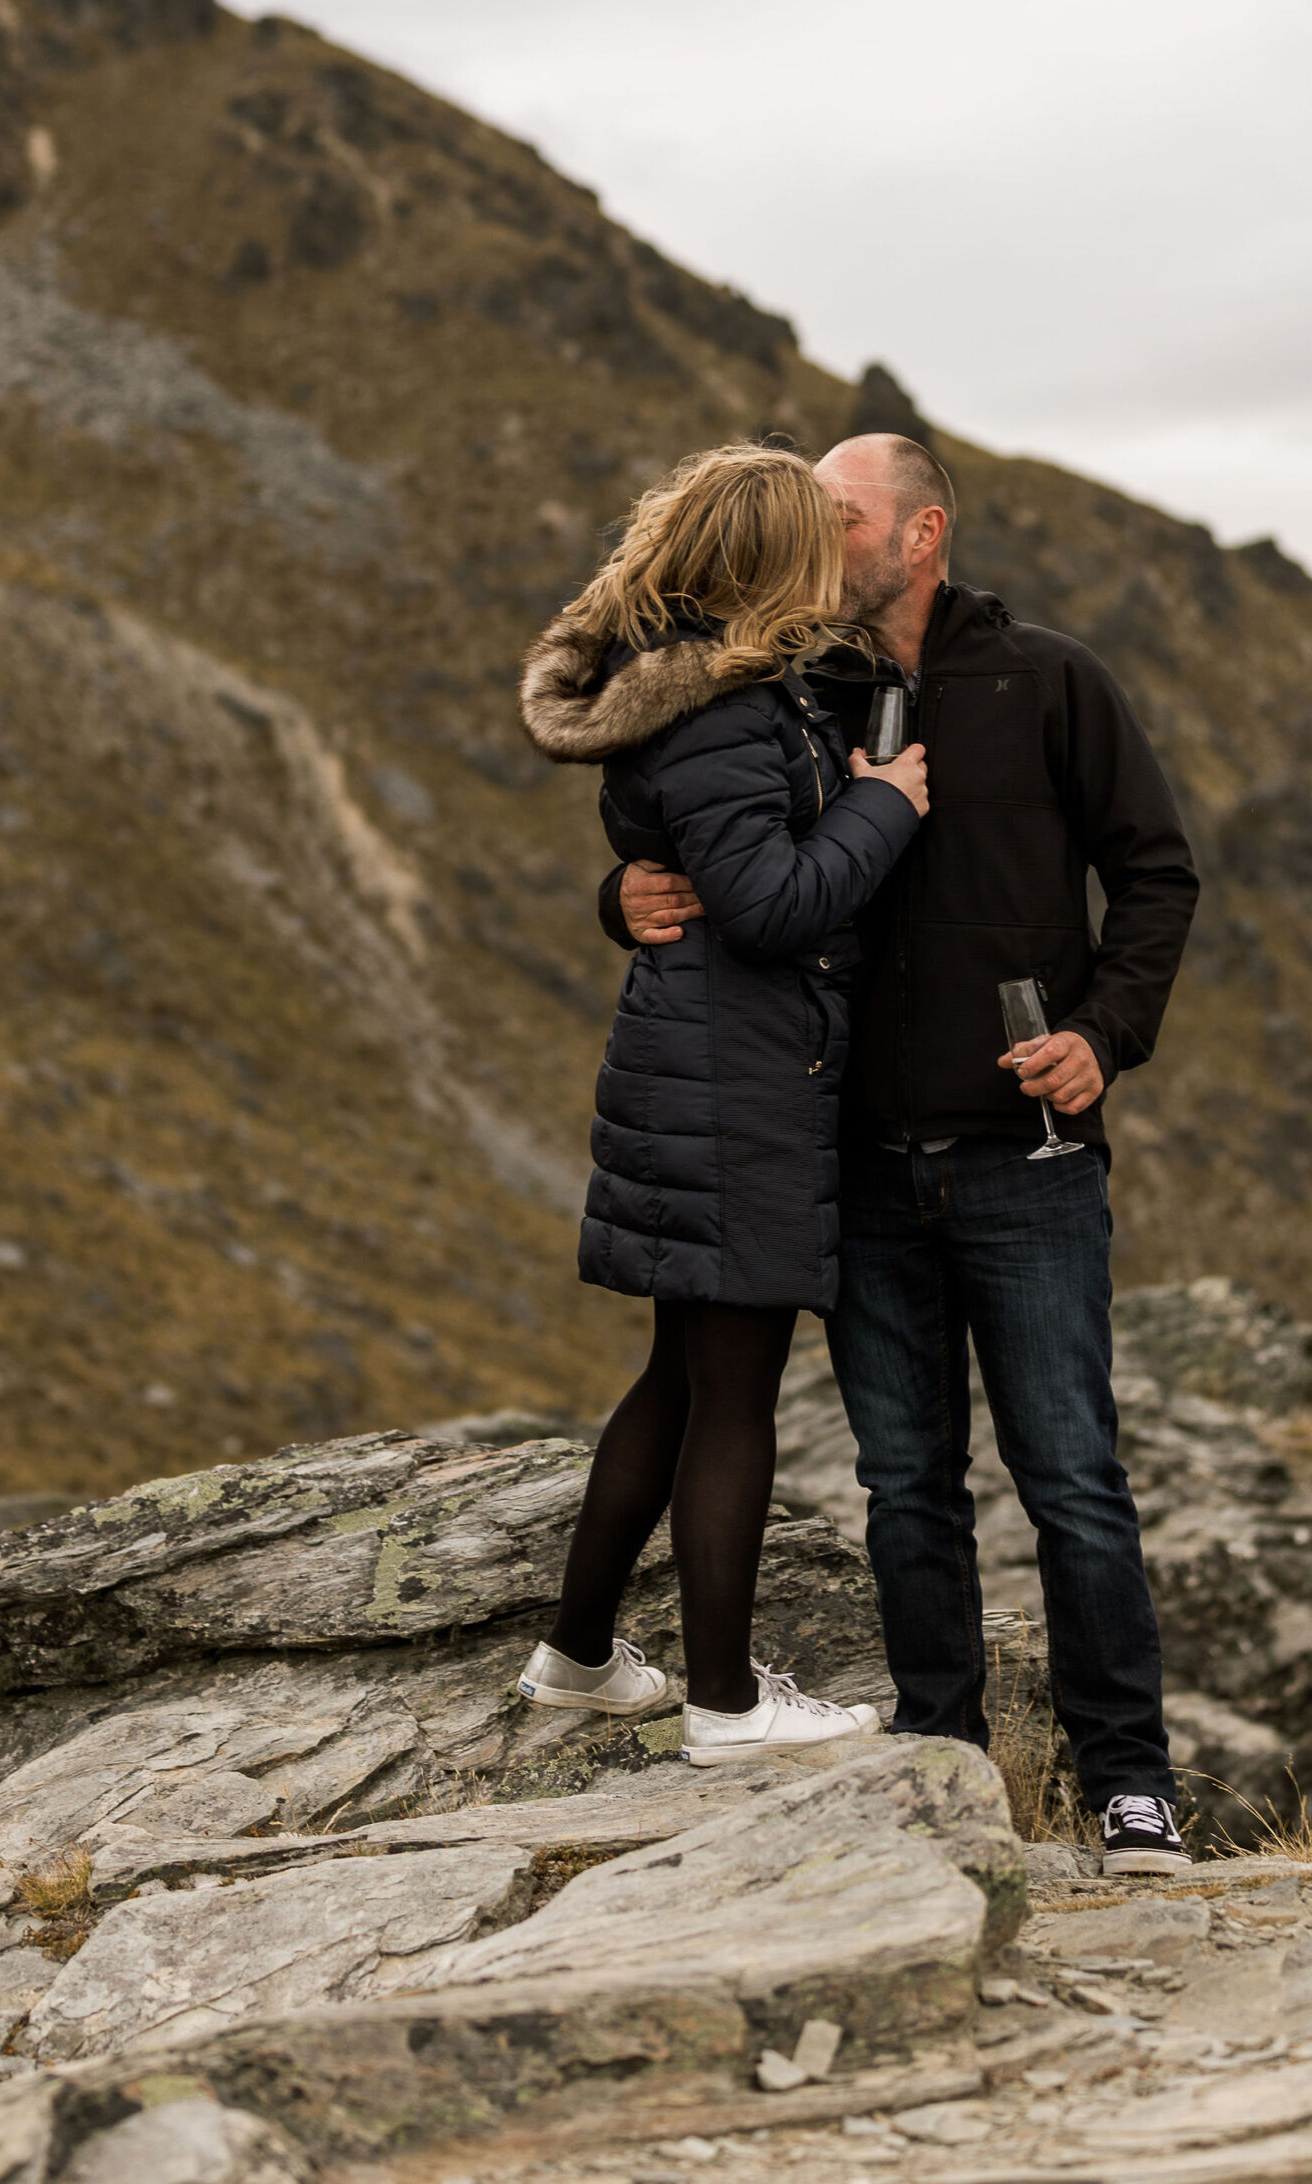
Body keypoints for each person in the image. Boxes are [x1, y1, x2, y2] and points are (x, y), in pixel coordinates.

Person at [604, 432, 1201, 1868]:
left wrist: (1104, 1038)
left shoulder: (1049, 679)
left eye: (841, 512)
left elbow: (1157, 871)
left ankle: (1131, 1786)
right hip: (855, 1162)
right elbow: (718, 854)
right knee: (904, 1486)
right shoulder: (789, 687)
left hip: (1029, 1157)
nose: (816, 529)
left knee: (1070, 1481)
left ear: (921, 534)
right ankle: (949, 1774)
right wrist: (617, 898)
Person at [516, 441, 929, 1765]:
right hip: (733, 1083)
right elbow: (767, 904)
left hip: (702, 1067)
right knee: (732, 1393)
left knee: (679, 1380)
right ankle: (726, 1706)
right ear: (775, 561)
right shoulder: (733, 711)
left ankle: (578, 1659)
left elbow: (686, 866)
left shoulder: (720, 690)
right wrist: (882, 809)